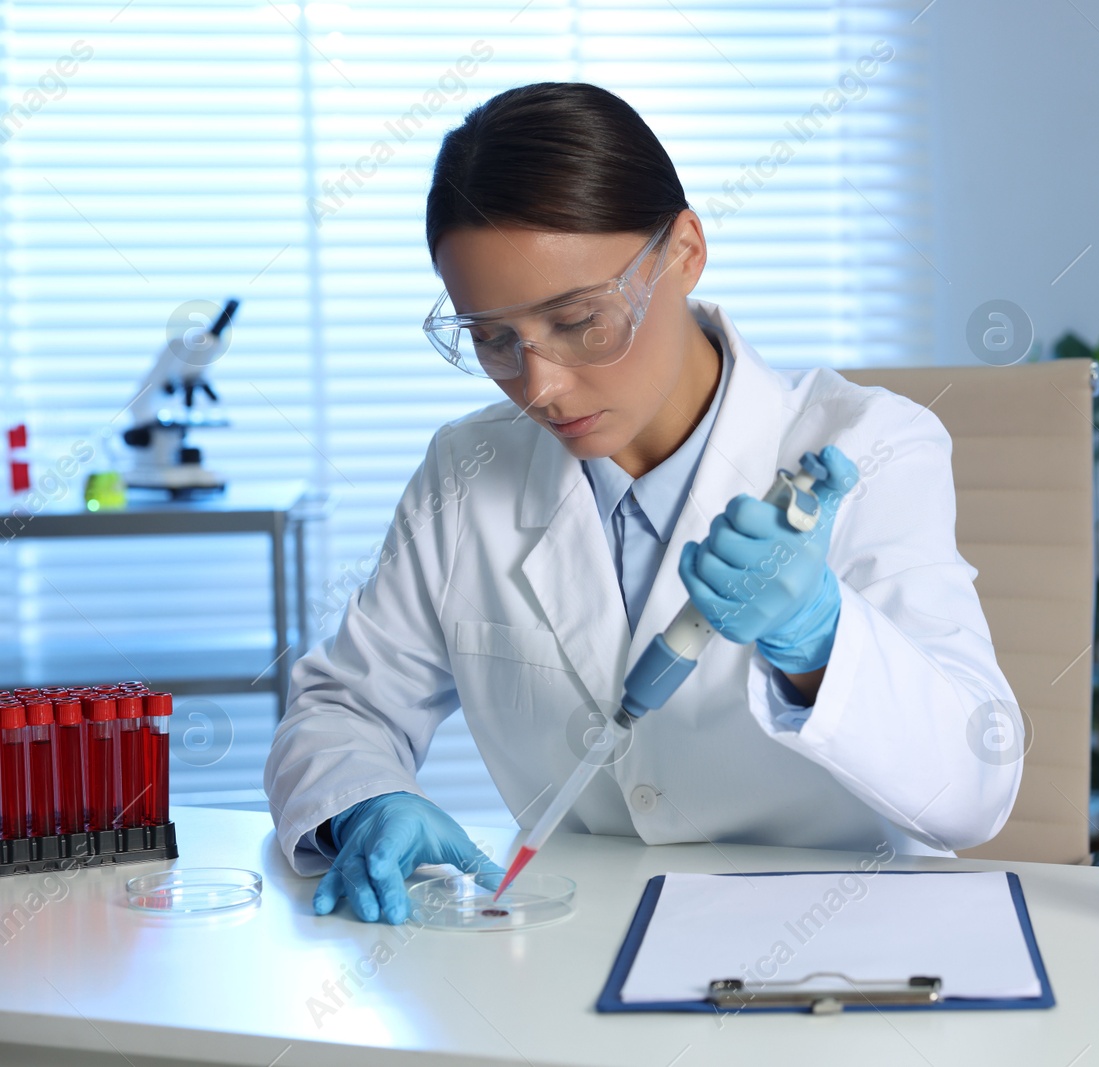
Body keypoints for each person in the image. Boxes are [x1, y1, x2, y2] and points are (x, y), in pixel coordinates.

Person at [264, 82, 1022, 924]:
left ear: (686, 250)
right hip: (574, 955)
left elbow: (976, 789)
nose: (540, 386)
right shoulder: (466, 471)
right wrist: (365, 803)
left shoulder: (875, 444)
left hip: (846, 951)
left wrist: (821, 640)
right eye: (492, 339)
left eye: (581, 320)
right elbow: (343, 708)